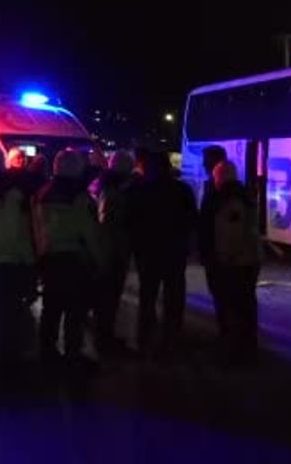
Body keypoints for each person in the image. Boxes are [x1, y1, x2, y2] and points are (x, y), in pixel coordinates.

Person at [32, 150, 105, 369]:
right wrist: (99, 261)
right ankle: (73, 354)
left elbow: (36, 228)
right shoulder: (80, 197)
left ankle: (47, 352)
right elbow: (90, 233)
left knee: (51, 309)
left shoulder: (42, 194)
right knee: (75, 310)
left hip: (49, 257)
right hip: (75, 258)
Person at [127, 151, 197, 359]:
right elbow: (192, 220)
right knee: (174, 295)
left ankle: (146, 338)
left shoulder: (139, 190)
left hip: (148, 251)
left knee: (148, 295)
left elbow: (130, 221)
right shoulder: (182, 190)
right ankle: (171, 337)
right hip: (174, 250)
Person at [204, 161, 261, 367]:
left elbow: (232, 232)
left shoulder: (229, 200)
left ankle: (235, 348)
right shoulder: (245, 196)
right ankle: (247, 343)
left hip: (235, 261)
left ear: (219, 178)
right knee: (246, 303)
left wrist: (226, 256)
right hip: (250, 259)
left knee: (232, 304)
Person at [89, 150, 135, 356]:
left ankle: (104, 336)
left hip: (103, 249)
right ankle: (104, 340)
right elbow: (108, 221)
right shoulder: (113, 190)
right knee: (108, 296)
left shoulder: (100, 185)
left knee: (105, 297)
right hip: (111, 251)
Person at [0, 150, 36, 368]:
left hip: (7, 261)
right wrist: (30, 263)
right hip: (8, 263)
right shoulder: (13, 196)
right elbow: (18, 235)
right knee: (8, 314)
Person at [198, 145, 228, 338]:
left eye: (206, 160)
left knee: (220, 292)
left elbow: (208, 222)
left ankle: (226, 334)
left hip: (217, 252)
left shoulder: (216, 189)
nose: (203, 164)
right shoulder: (237, 189)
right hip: (223, 251)